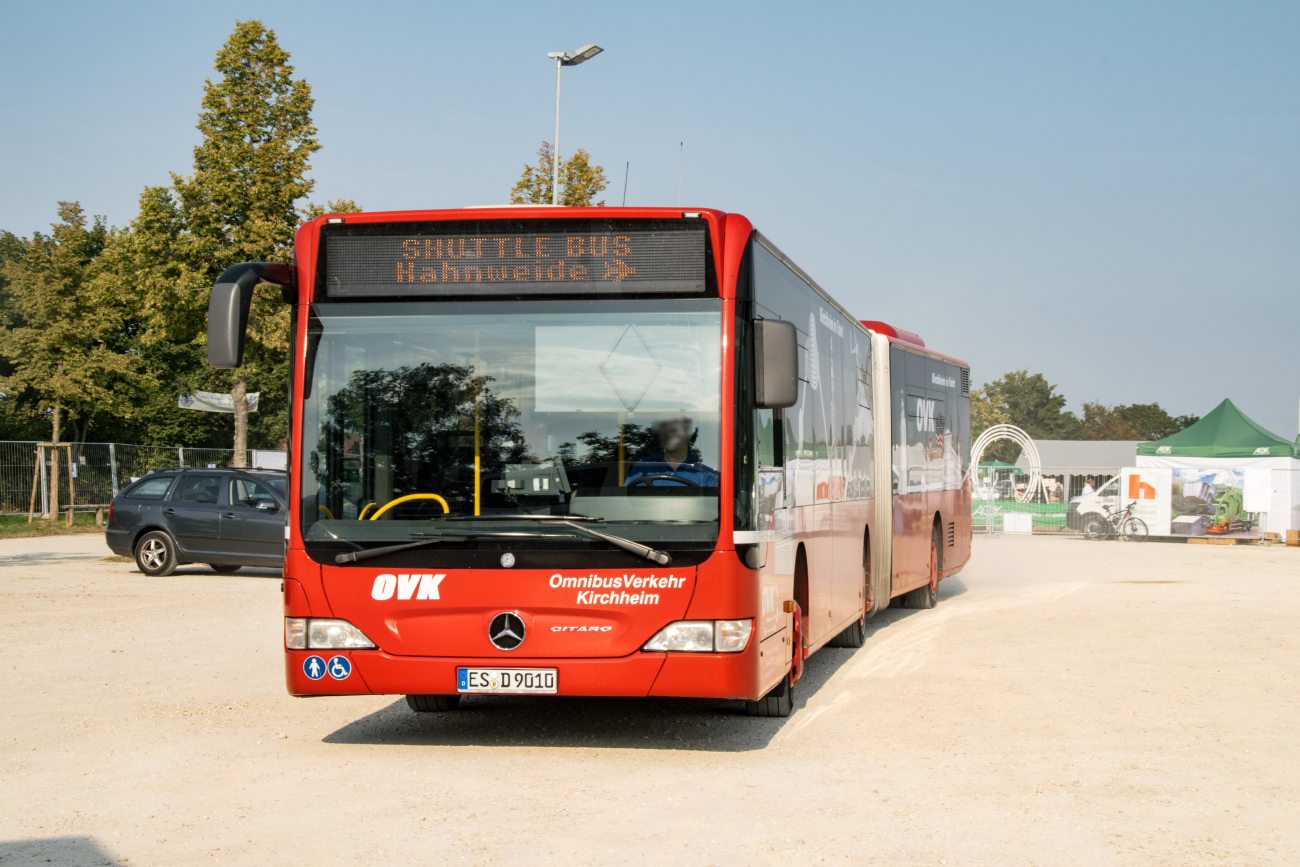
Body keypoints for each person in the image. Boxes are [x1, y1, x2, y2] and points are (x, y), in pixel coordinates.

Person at [624, 417, 719, 488]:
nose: (670, 435)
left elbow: (717, 505)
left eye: (675, 430)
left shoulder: (708, 468)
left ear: (688, 434)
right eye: (665, 430)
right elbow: (627, 499)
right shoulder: (643, 467)